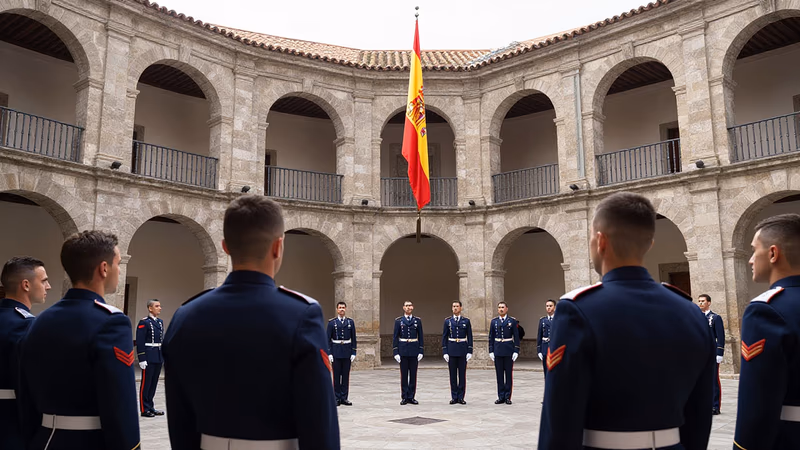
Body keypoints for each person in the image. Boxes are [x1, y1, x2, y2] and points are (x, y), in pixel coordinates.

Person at [538, 192, 714, 450]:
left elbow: (560, 420)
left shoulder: (577, 310)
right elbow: (700, 414)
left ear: (600, 241)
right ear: (650, 243)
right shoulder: (691, 312)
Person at [162, 195, 339, 449]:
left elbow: (179, 422)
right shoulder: (301, 314)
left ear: (225, 247)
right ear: (278, 247)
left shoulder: (186, 316)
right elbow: (319, 423)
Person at [18, 231, 141, 450]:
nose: (120, 270)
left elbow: (25, 397)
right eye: (118, 263)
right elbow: (120, 404)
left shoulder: (39, 321)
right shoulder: (111, 322)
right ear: (104, 268)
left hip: (43, 440)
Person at [734, 213, 800, 450]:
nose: (750, 260)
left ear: (773, 253)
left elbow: (757, 405)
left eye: (754, 250)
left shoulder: (766, 310)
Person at [0, 257, 50, 449]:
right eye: (44, 281)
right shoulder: (27, 325)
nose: (48, 286)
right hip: (13, 420)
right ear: (26, 285)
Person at [136, 298, 165, 417]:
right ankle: (144, 409)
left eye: (160, 306)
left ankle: (151, 407)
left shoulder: (160, 322)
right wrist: (142, 358)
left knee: (153, 383)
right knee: (146, 383)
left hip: (158, 355)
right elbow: (140, 341)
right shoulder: (144, 322)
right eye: (157, 306)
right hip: (148, 355)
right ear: (150, 308)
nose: (160, 308)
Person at [697, 293, 724, 415]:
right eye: (699, 301)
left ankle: (715, 405)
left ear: (709, 302)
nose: (701, 303)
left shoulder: (715, 318)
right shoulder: (697, 318)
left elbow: (720, 336)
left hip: (712, 353)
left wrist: (720, 352)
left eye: (703, 301)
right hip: (700, 353)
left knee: (713, 380)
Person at [392, 300, 424, 405]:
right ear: (403, 308)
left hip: (414, 350)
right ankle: (404, 396)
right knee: (404, 375)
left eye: (410, 305)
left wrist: (421, 350)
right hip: (403, 350)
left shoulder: (417, 321)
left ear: (412, 307)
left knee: (413, 375)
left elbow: (421, 336)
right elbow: (395, 337)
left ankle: (411, 396)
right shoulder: (398, 321)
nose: (408, 307)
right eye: (406, 305)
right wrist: (396, 352)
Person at [441, 300, 473, 405]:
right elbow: (444, 337)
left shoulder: (466, 321)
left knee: (462, 375)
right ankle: (454, 396)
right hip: (452, 349)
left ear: (461, 308)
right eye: (453, 306)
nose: (455, 308)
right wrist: (445, 351)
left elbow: (470, 336)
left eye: (457, 306)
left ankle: (461, 397)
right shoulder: (448, 321)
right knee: (453, 375)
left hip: (462, 349)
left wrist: (470, 350)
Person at [488, 301, 519, 405]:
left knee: (508, 375)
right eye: (499, 307)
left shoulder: (512, 321)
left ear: (506, 309)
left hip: (508, 350)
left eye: (502, 307)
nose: (501, 309)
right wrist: (491, 350)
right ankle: (501, 396)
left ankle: (507, 397)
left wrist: (516, 350)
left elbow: (516, 336)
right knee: (499, 375)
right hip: (498, 350)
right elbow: (491, 337)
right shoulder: (494, 322)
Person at [327, 301, 357, 406]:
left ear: (346, 309)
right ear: (337, 309)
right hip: (336, 352)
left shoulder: (350, 322)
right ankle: (336, 398)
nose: (342, 309)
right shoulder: (332, 323)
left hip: (347, 352)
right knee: (336, 376)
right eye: (340, 308)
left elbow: (353, 338)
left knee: (345, 376)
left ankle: (344, 398)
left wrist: (353, 352)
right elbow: (328, 339)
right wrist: (329, 353)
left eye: (343, 307)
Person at [537, 299, 556, 378]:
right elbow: (539, 335)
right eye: (547, 306)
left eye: (550, 306)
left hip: (555, 348)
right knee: (546, 370)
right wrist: (539, 350)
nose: (548, 308)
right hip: (545, 347)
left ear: (554, 307)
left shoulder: (558, 319)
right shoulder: (542, 320)